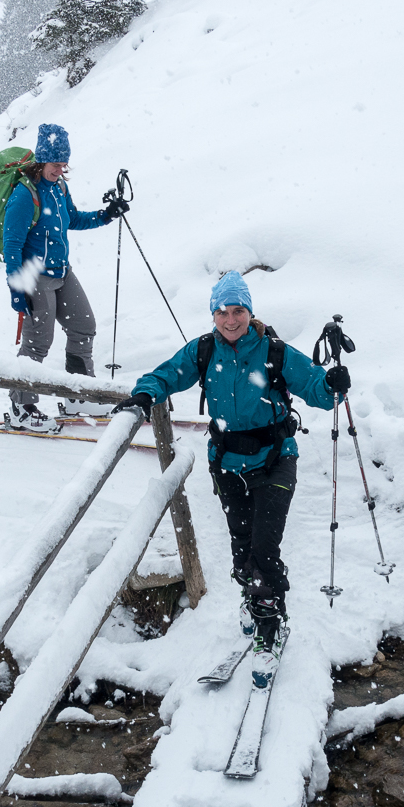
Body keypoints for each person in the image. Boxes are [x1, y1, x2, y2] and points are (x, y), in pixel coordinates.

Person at [114, 271, 351, 650]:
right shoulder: (204, 351)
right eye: (222, 311)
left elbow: (317, 390)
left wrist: (333, 384)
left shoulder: (275, 351)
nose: (230, 319)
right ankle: (252, 597)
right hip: (227, 463)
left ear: (249, 312)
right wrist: (145, 396)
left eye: (237, 310)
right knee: (242, 548)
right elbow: (166, 375)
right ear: (213, 314)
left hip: (275, 459)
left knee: (263, 548)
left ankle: (270, 620)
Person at [1, 123, 124, 429]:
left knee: (84, 327)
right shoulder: (23, 196)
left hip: (63, 272)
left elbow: (74, 219)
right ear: (41, 161)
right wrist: (18, 288)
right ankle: (21, 408)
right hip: (36, 277)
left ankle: (78, 396)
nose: (59, 170)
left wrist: (105, 215)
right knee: (38, 343)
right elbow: (12, 244)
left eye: (63, 165)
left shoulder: (59, 189)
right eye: (55, 165)